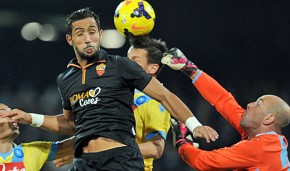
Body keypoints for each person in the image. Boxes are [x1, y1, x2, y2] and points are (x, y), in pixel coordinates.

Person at [0, 8, 218, 171]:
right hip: (84, 163)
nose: (88, 38)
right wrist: (30, 117)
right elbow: (71, 124)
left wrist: (194, 124)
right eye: (80, 33)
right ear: (70, 39)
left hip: (120, 159)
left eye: (92, 32)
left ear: (100, 34)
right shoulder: (66, 79)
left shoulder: (120, 65)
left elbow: (164, 95)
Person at [162, 48, 290, 170]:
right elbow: (223, 100)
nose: (249, 104)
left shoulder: (261, 147)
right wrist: (191, 69)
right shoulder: (258, 134)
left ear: (269, 118)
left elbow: (202, 161)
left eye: (258, 103)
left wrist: (182, 143)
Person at [53, 35, 172, 171]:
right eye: (128, 58)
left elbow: (156, 148)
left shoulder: (153, 102)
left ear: (153, 68)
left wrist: (104, 152)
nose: (128, 63)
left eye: (135, 60)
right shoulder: (117, 92)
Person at [0, 103, 73, 171]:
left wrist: (31, 118)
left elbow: (81, 137)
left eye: (11, 113)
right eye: (5, 114)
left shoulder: (33, 151)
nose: (13, 117)